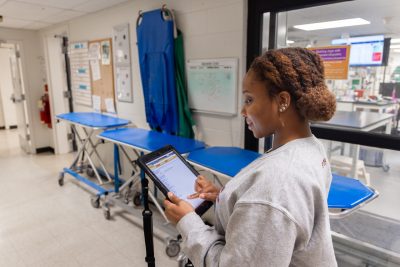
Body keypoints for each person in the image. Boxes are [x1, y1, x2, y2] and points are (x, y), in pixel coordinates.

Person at [164, 47, 338, 266]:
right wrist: (227, 197)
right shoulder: (310, 148)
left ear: (282, 101)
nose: (243, 111)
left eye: (249, 100)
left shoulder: (277, 182)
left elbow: (268, 202)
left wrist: (187, 222)